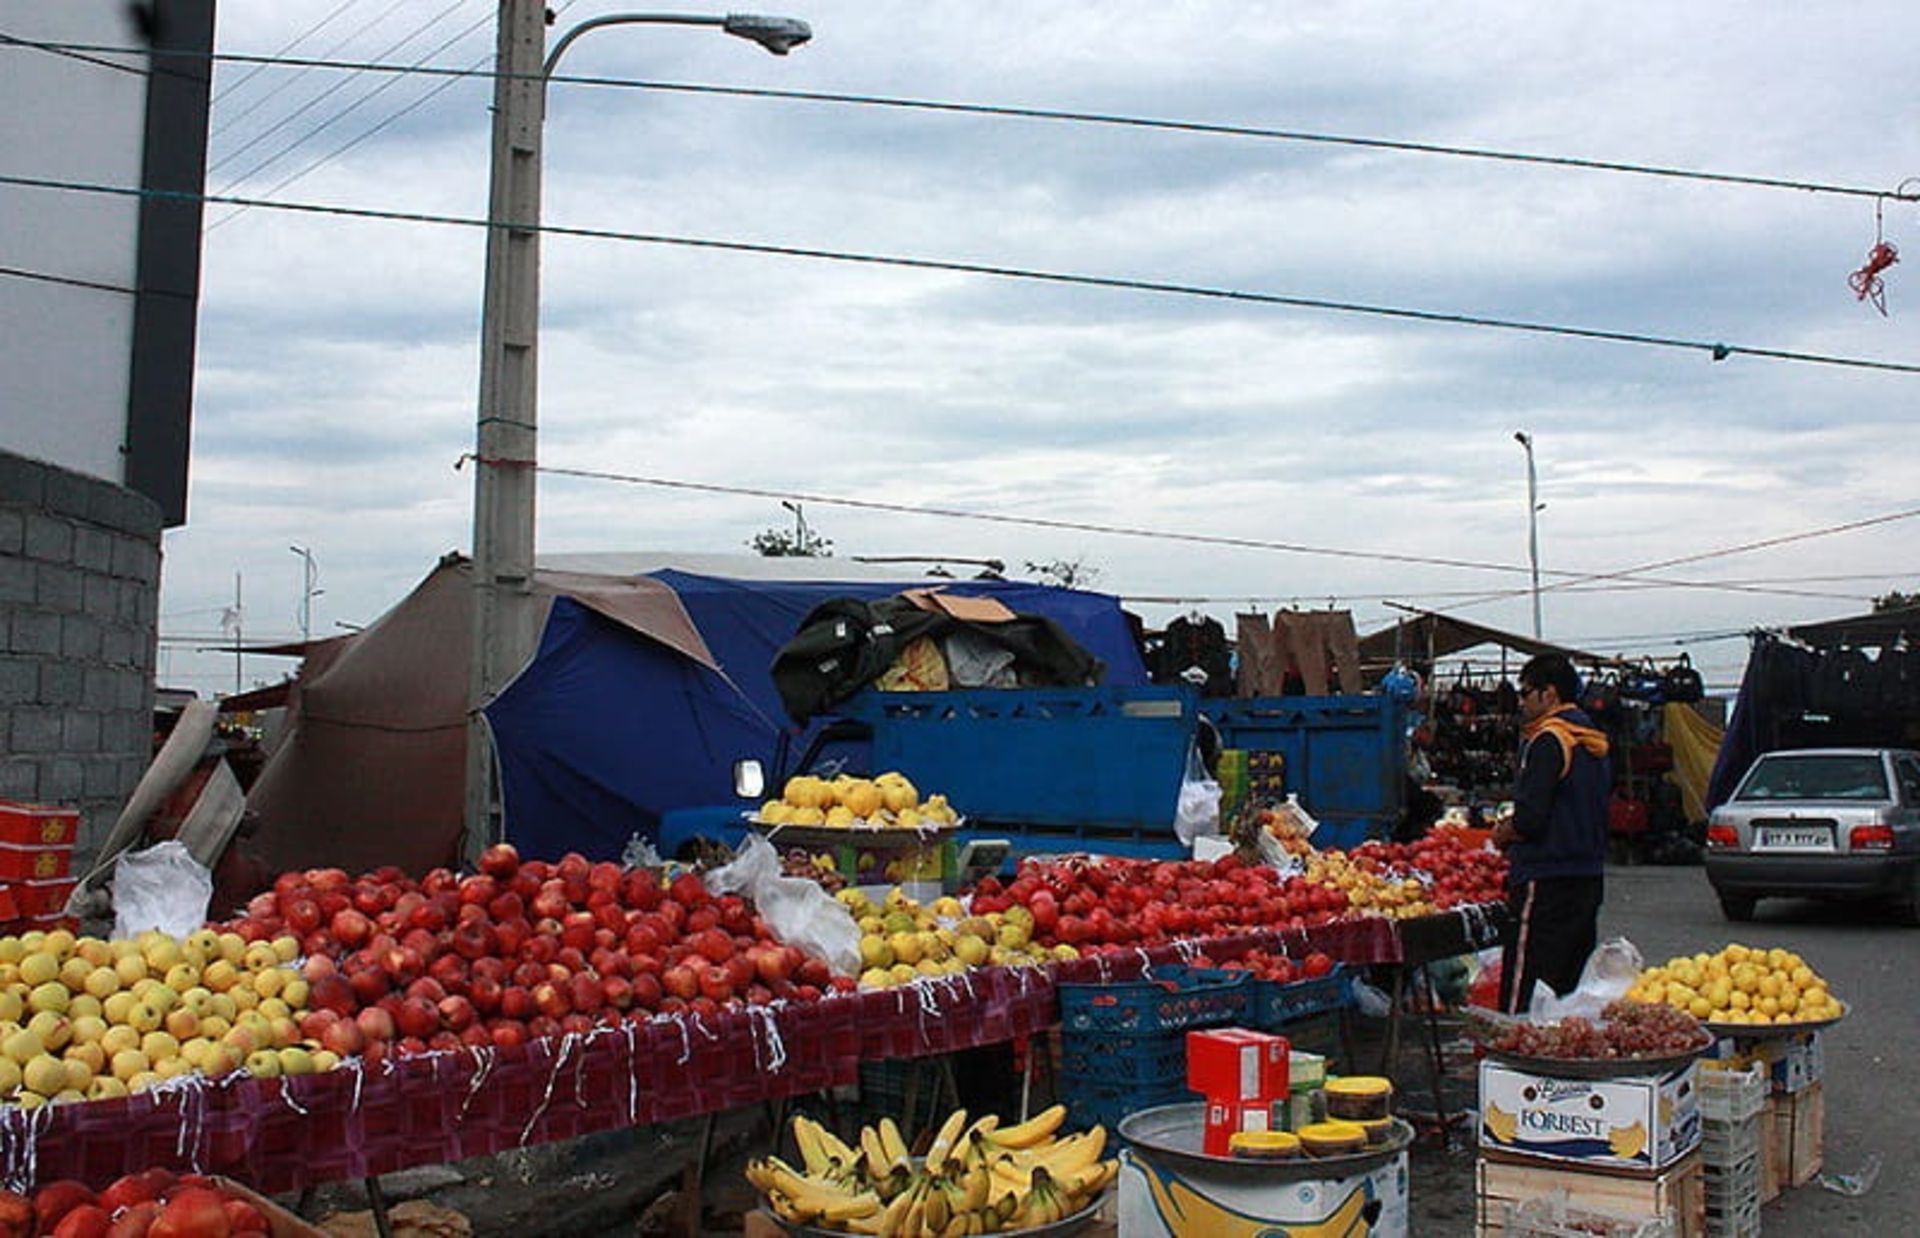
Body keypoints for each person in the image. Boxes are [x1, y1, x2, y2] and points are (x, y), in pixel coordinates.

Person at [1491, 653, 1611, 1014]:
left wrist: (1503, 832)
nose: (1522, 701)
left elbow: (1531, 819)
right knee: (1568, 986)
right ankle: (1560, 1063)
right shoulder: (1593, 741)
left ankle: (1513, 1057)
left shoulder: (1549, 741)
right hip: (1587, 876)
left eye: (1526, 692)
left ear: (1549, 694)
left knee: (1526, 985)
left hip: (1545, 879)